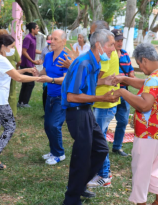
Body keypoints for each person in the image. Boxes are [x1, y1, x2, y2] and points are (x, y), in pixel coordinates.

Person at [114, 43, 158, 205]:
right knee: (152, 169)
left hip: (150, 134)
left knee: (140, 171)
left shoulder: (154, 78)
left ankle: (140, 202)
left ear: (144, 60)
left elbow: (144, 105)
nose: (141, 69)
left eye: (139, 65)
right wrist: (124, 79)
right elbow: (147, 84)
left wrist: (122, 91)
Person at [61, 29, 119, 205]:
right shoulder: (84, 63)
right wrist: (102, 97)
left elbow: (86, 83)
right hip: (77, 112)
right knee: (82, 156)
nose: (113, 49)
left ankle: (79, 185)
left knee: (101, 149)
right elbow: (72, 96)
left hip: (86, 111)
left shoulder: (94, 62)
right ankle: (71, 198)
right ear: (99, 45)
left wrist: (105, 81)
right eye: (111, 45)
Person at [0, 34, 40, 169]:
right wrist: (37, 79)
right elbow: (18, 78)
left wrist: (26, 70)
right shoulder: (1, 59)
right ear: (3, 46)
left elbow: (12, 73)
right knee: (10, 126)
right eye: (12, 47)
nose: (13, 49)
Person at [87, 30, 120, 188]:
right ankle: (103, 170)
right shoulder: (104, 54)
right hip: (102, 103)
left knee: (99, 141)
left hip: (104, 104)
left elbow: (96, 80)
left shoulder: (105, 55)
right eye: (112, 44)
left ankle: (104, 175)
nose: (114, 48)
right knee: (99, 139)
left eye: (113, 44)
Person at [38, 30, 69, 165]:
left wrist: (50, 80)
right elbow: (44, 71)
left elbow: (66, 79)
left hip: (61, 96)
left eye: (56, 39)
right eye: (51, 39)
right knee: (47, 125)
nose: (52, 42)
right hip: (50, 95)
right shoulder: (49, 56)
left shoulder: (66, 58)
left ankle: (59, 154)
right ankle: (53, 151)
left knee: (54, 125)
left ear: (63, 41)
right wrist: (37, 73)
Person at [112, 29, 134, 156]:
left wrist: (130, 78)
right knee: (105, 119)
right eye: (117, 40)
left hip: (124, 91)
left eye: (121, 40)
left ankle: (117, 147)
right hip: (110, 92)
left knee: (123, 120)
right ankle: (100, 146)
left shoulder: (125, 54)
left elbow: (131, 71)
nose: (120, 43)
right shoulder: (107, 55)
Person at [0, 29, 22, 118]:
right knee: (12, 92)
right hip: (12, 69)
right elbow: (19, 60)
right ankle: (12, 113)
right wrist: (17, 68)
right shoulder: (12, 47)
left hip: (0, 72)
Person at [18, 22, 43, 108]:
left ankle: (21, 102)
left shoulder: (33, 38)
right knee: (30, 83)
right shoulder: (28, 38)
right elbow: (24, 51)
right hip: (26, 64)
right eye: (37, 28)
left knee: (26, 83)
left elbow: (32, 50)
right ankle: (24, 103)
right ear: (33, 29)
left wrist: (44, 52)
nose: (38, 30)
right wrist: (32, 61)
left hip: (30, 63)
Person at [40, 35, 52, 112]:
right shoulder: (45, 51)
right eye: (49, 40)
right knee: (45, 93)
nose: (50, 41)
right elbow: (41, 60)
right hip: (46, 74)